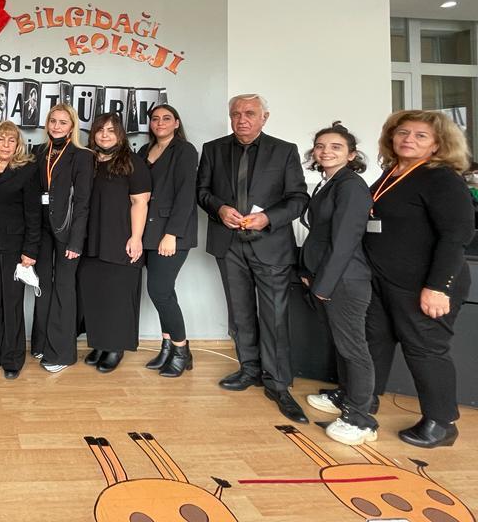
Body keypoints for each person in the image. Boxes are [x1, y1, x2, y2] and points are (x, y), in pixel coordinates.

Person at [196, 93, 309, 423]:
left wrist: (268, 217)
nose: (241, 119)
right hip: (229, 244)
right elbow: (201, 191)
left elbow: (298, 198)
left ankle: (277, 382)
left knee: (274, 316)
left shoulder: (284, 150)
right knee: (240, 311)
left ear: (264, 117)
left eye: (249, 113)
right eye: (235, 114)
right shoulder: (213, 149)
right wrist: (219, 208)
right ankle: (249, 369)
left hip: (270, 244)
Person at [364, 110, 474, 448]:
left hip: (424, 284)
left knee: (425, 350)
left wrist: (439, 287)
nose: (408, 139)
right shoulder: (391, 173)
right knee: (375, 341)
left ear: (438, 144)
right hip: (384, 280)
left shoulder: (441, 178)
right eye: (403, 132)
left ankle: (441, 423)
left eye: (420, 135)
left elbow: (456, 236)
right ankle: (364, 400)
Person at [298, 123, 377, 445]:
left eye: (335, 147)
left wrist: (324, 286)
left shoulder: (351, 186)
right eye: (320, 146)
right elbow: (320, 235)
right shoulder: (329, 183)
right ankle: (345, 397)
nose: (326, 151)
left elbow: (345, 241)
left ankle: (361, 418)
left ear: (352, 154)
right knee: (342, 346)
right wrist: (309, 272)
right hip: (328, 277)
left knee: (353, 349)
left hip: (344, 281)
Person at [80, 113, 151, 373]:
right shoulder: (87, 160)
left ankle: (115, 347)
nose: (105, 135)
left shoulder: (132, 162)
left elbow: (140, 202)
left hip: (120, 238)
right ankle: (99, 343)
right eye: (100, 130)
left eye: (111, 130)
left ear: (120, 134)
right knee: (95, 295)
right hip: (90, 239)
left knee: (118, 296)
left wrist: (136, 237)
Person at [0, 121, 42, 380]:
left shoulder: (27, 170)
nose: (5, 144)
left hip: (15, 246)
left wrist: (30, 250)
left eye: (11, 140)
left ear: (18, 145)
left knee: (12, 302)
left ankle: (13, 358)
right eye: (1, 139)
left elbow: (33, 214)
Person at [136, 104, 198, 378]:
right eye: (155, 119)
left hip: (171, 234)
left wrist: (172, 234)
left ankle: (182, 351)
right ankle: (167, 347)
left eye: (166, 118)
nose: (160, 122)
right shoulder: (144, 151)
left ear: (176, 123)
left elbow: (186, 194)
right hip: (148, 232)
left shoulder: (184, 150)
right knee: (165, 292)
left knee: (159, 291)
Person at [31, 102, 95, 373]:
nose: (56, 126)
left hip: (68, 230)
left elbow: (83, 202)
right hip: (42, 229)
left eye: (63, 122)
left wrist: (76, 241)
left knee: (64, 287)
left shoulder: (82, 156)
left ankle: (62, 353)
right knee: (42, 284)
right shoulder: (38, 152)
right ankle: (42, 343)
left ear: (72, 127)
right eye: (53, 121)